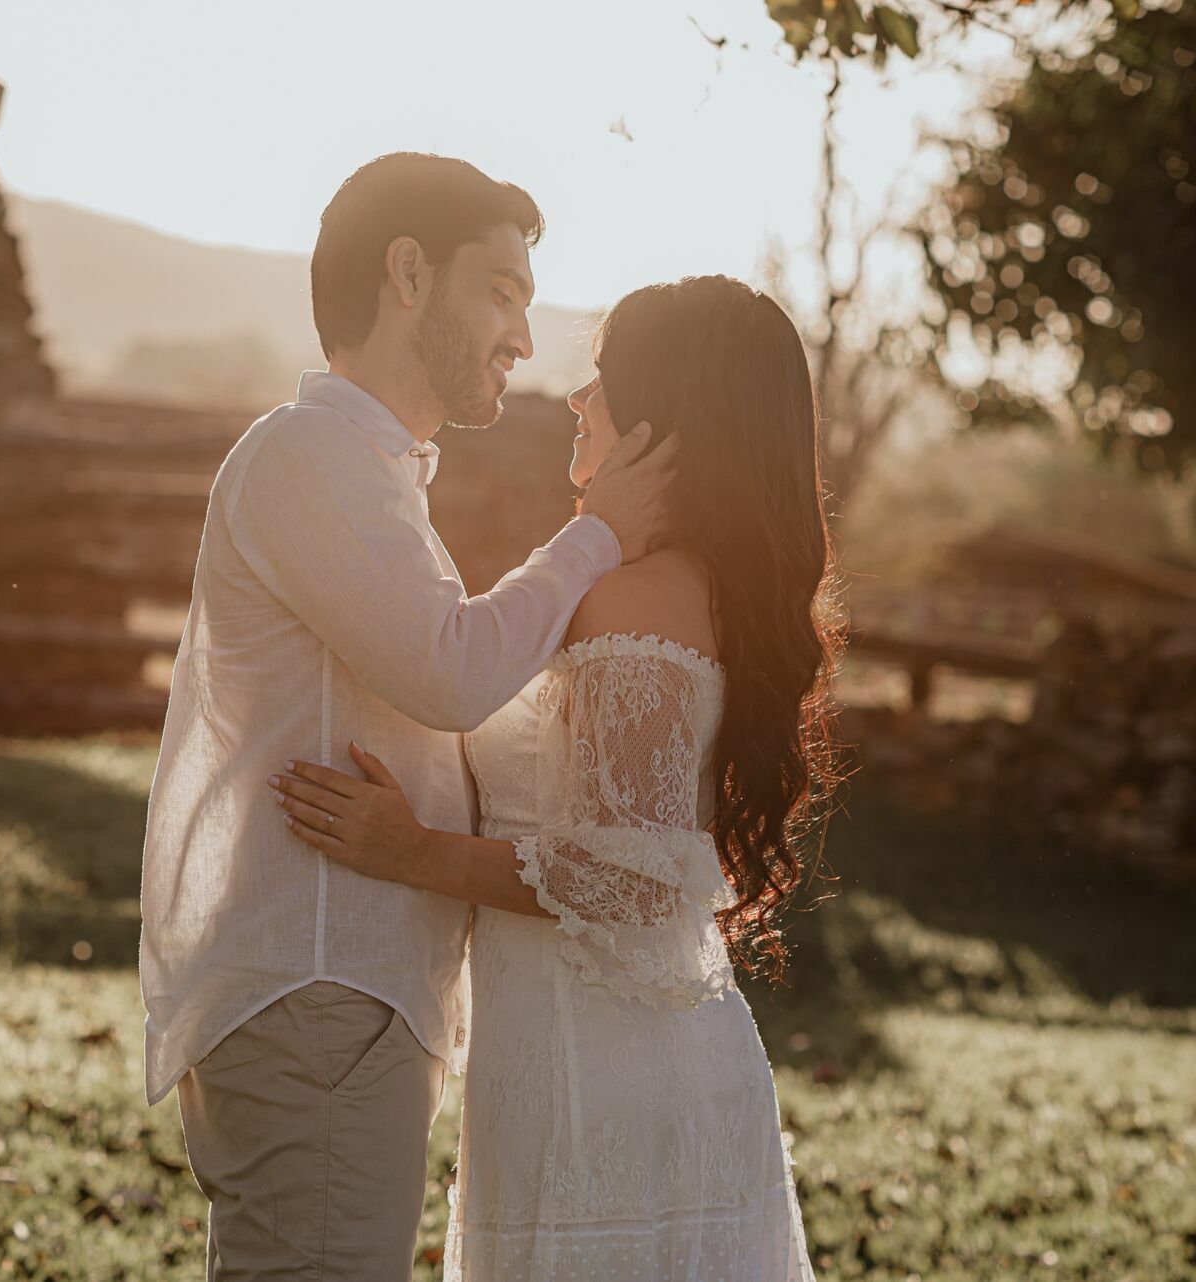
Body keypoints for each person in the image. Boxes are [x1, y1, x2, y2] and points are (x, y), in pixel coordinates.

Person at [136, 152, 678, 1279]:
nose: (521, 339)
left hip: (342, 1003)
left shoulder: (368, 473)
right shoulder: (310, 456)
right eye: (503, 292)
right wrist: (602, 535)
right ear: (410, 273)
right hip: (318, 993)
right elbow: (448, 671)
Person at [271, 275, 839, 1279]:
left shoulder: (636, 601)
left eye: (603, 381)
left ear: (666, 422)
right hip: (589, 1058)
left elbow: (634, 879)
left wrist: (411, 851)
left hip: (603, 1080)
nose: (578, 401)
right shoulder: (680, 586)